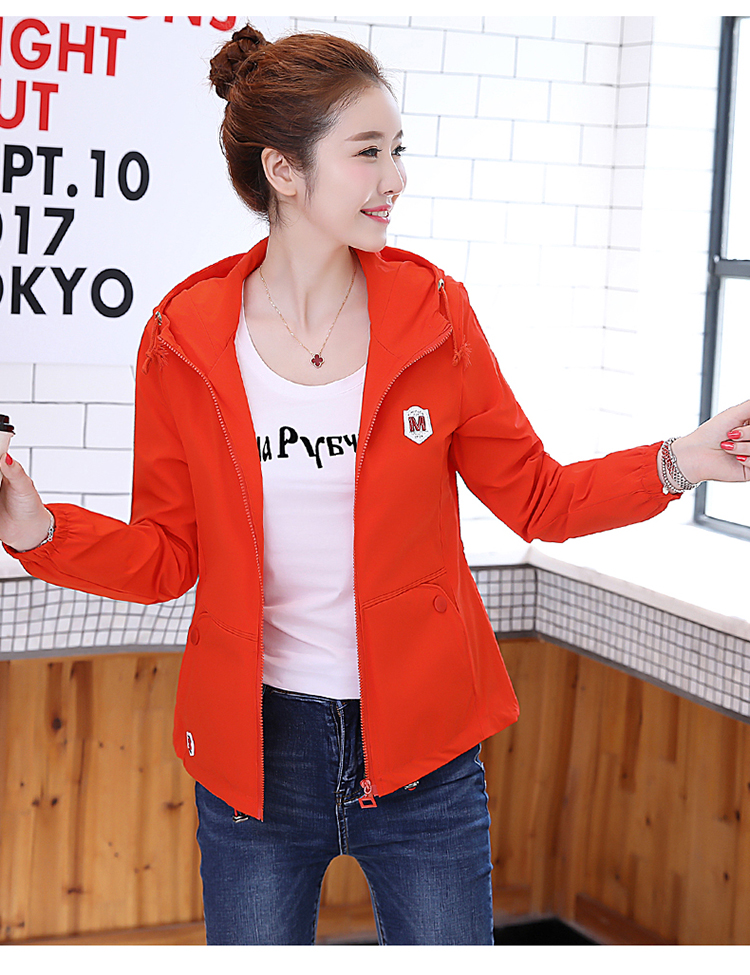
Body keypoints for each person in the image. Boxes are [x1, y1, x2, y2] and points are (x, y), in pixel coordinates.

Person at [0, 24, 748, 947]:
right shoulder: (182, 337)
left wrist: (681, 460)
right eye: (367, 152)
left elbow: (538, 498)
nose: (394, 178)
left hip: (425, 753)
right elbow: (166, 557)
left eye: (397, 150)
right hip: (258, 753)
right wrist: (39, 531)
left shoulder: (435, 314)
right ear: (283, 169)